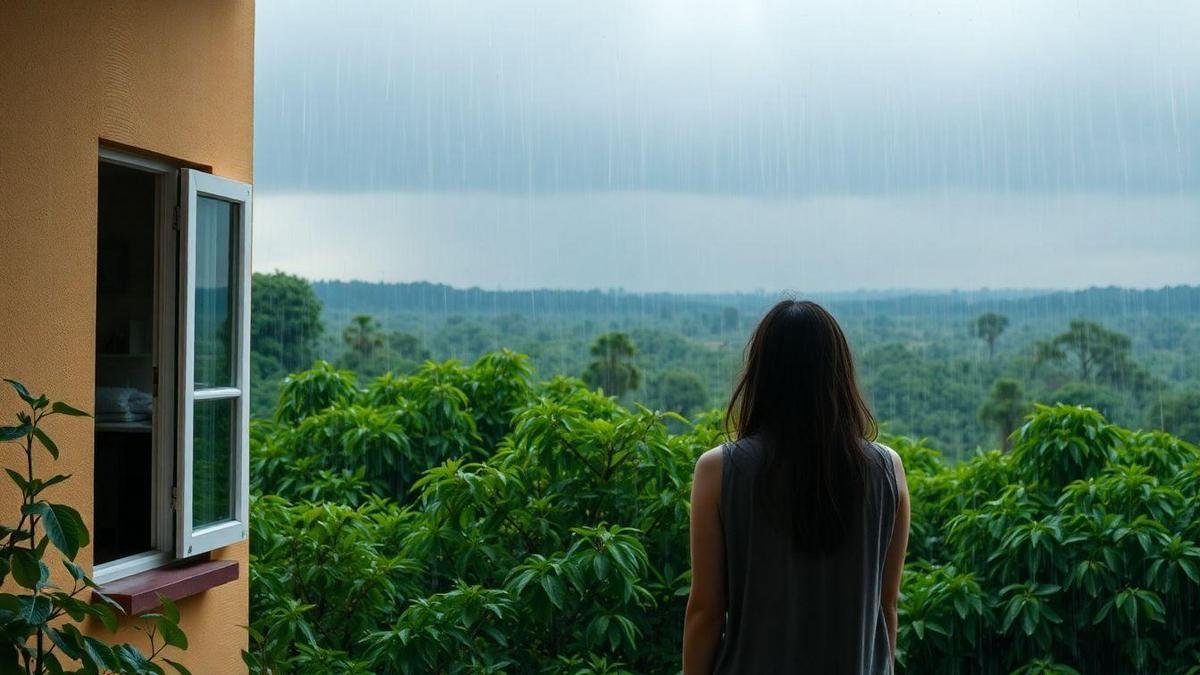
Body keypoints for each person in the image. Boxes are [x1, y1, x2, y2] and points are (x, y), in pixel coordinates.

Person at [683, 300, 910, 674]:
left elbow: (706, 612)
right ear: (839, 373)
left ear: (760, 373)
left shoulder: (718, 471)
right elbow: (886, 608)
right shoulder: (887, 470)